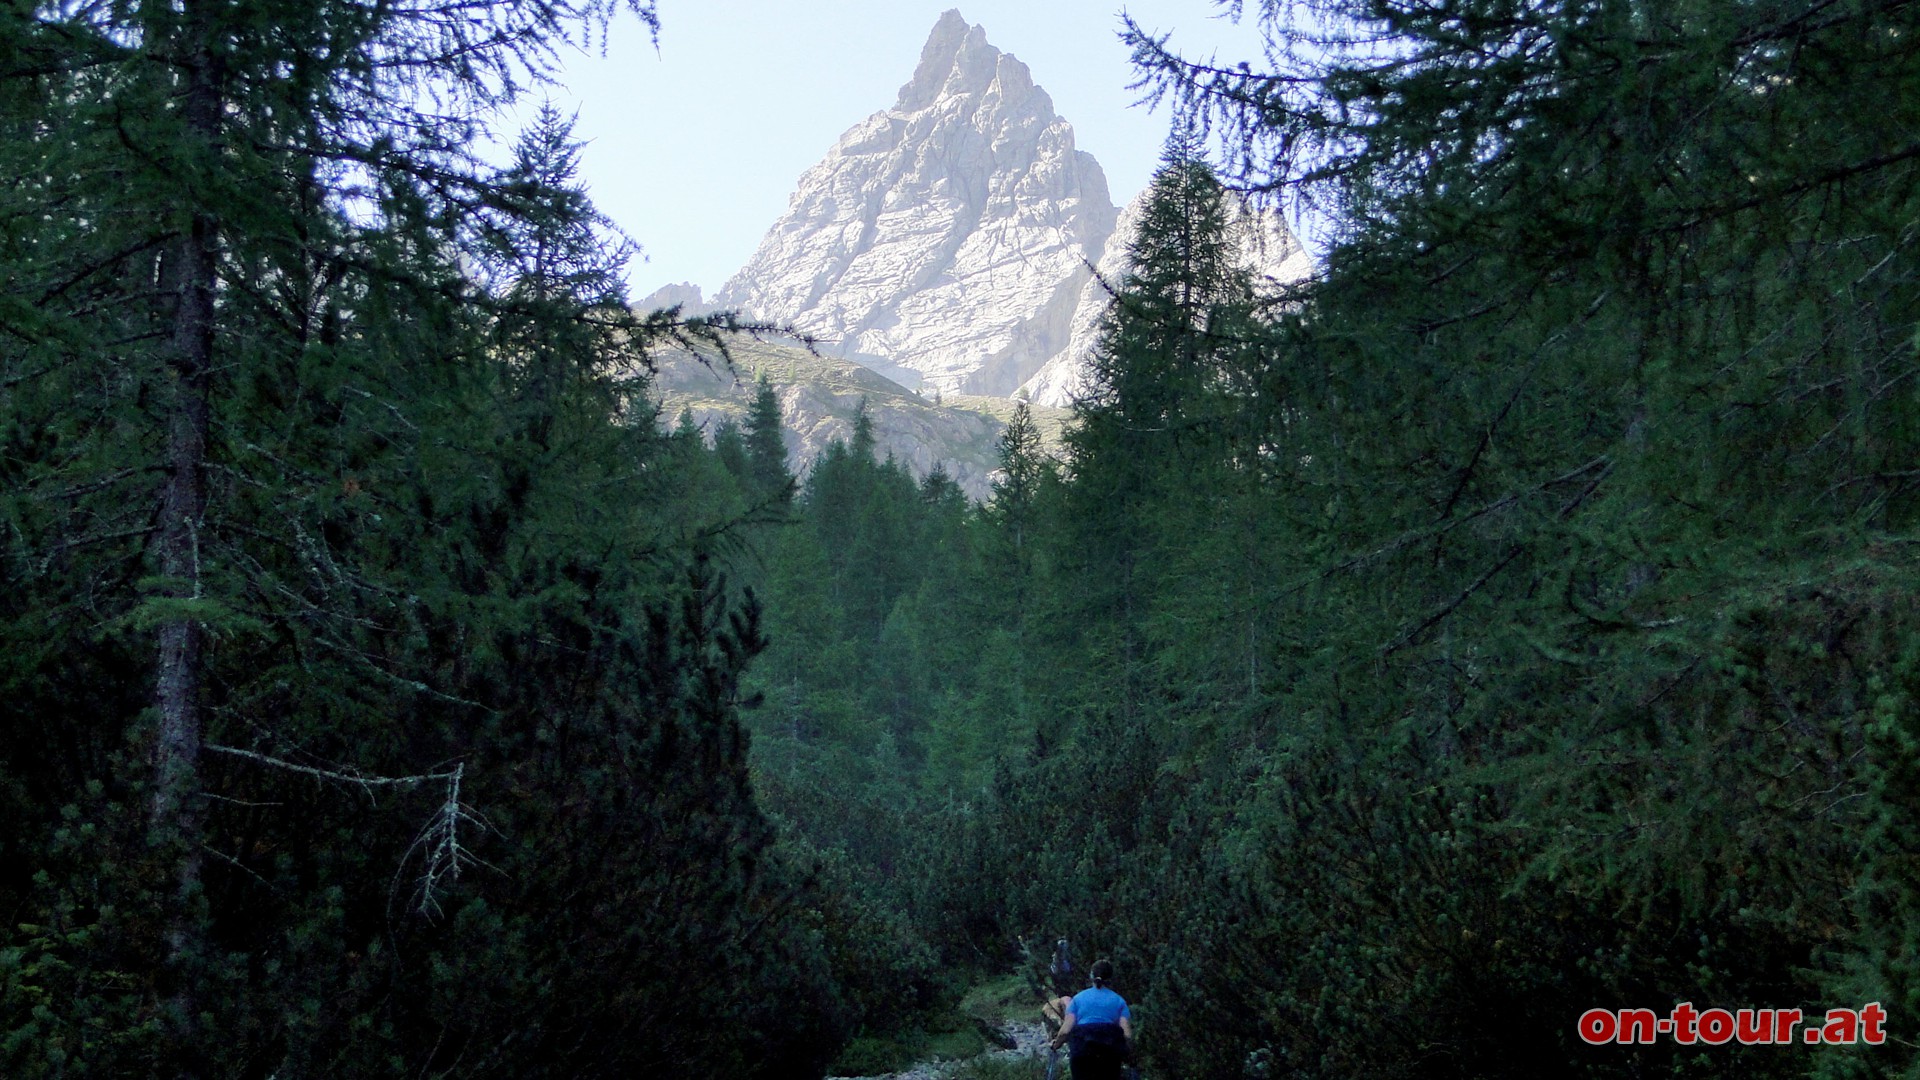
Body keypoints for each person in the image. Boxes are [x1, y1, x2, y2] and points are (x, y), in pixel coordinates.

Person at [1048, 958, 1133, 1080]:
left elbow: (1066, 1031)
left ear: (1091, 976)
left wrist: (1056, 1045)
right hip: (1110, 1053)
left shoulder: (1077, 999)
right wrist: (1130, 1053)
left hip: (1082, 1051)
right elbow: (1127, 1035)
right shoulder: (1119, 1001)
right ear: (1111, 978)